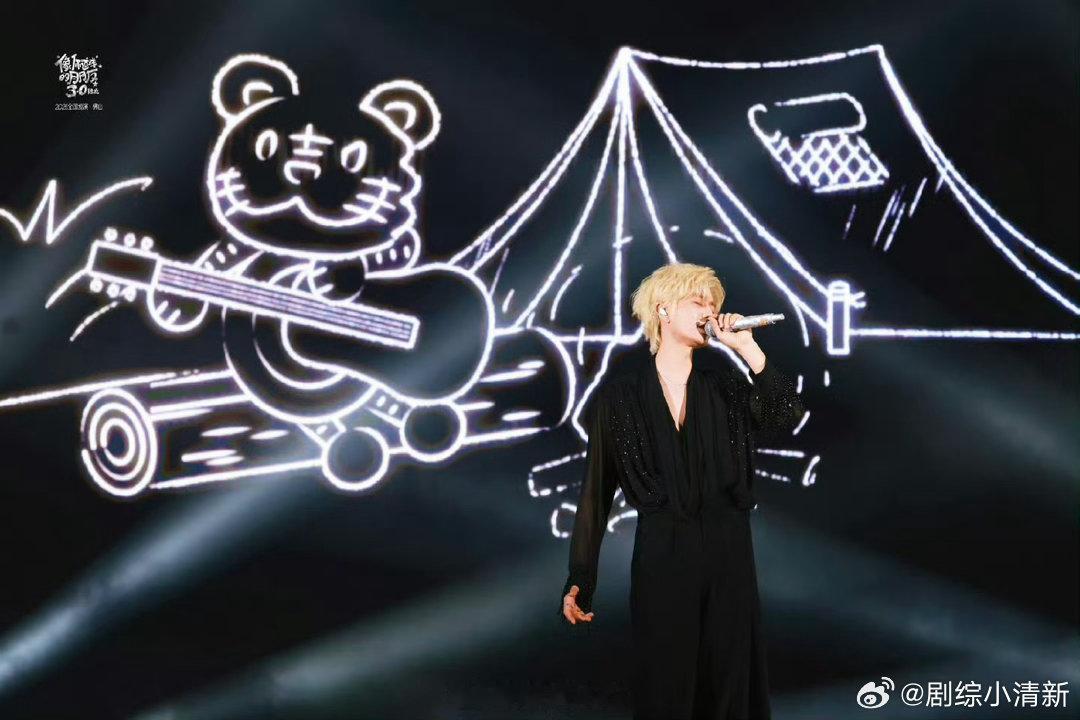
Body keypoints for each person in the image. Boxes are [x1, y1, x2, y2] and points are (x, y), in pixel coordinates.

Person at [557, 262, 806, 719]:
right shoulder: (620, 399)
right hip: (663, 554)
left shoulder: (726, 387)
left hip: (729, 552)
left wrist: (748, 349)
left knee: (729, 685)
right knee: (666, 687)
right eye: (698, 300)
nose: (709, 310)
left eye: (713, 302)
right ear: (664, 310)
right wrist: (581, 577)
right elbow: (596, 492)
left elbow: (787, 414)